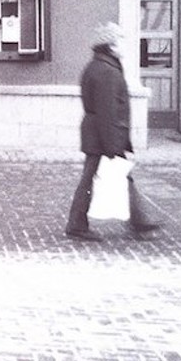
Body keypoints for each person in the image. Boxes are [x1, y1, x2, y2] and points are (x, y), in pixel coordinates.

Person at [65, 22, 162, 242]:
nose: (124, 46)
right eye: (120, 41)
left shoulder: (99, 66)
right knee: (95, 179)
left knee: (113, 177)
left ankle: (140, 221)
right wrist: (113, 146)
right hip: (104, 136)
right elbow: (107, 112)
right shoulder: (107, 71)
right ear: (110, 45)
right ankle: (78, 225)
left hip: (99, 134)